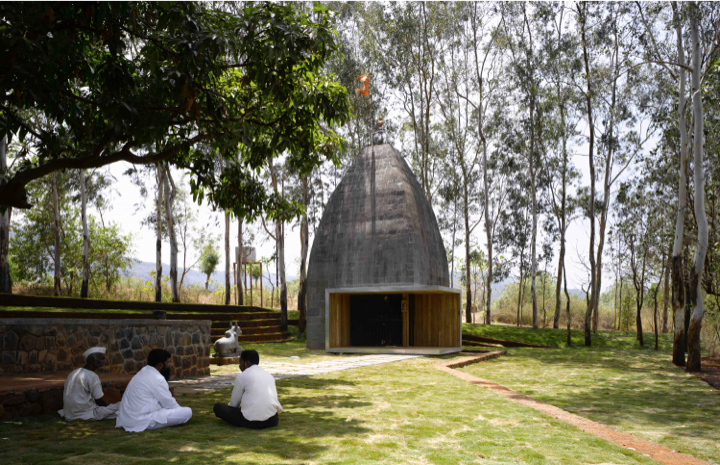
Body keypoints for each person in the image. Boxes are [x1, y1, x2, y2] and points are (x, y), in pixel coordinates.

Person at [116, 348, 192, 432]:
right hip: (140, 420)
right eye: (168, 362)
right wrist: (179, 414)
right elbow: (169, 404)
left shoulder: (143, 371)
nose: (170, 365)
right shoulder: (158, 378)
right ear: (160, 365)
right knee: (187, 412)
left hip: (126, 418)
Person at [213, 349, 282, 429]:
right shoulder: (269, 375)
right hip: (272, 420)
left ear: (247, 363)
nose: (239, 366)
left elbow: (234, 405)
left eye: (240, 362)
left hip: (250, 421)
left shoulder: (242, 376)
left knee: (218, 407)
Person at [58, 347, 120, 421]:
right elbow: (99, 401)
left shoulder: (74, 372)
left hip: (70, 415)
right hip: (86, 414)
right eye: (102, 358)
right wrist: (109, 407)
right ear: (93, 360)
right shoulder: (92, 376)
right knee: (120, 406)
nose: (104, 361)